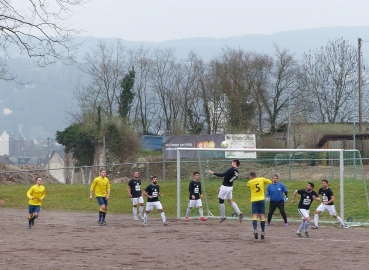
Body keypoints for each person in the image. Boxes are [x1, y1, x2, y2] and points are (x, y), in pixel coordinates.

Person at [247, 172, 272, 240]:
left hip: (254, 200)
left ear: (251, 176)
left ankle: (255, 230)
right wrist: (262, 181)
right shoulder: (261, 179)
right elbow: (270, 181)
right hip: (261, 199)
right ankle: (263, 231)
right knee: (262, 216)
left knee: (255, 216)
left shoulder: (250, 182)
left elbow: (248, 186)